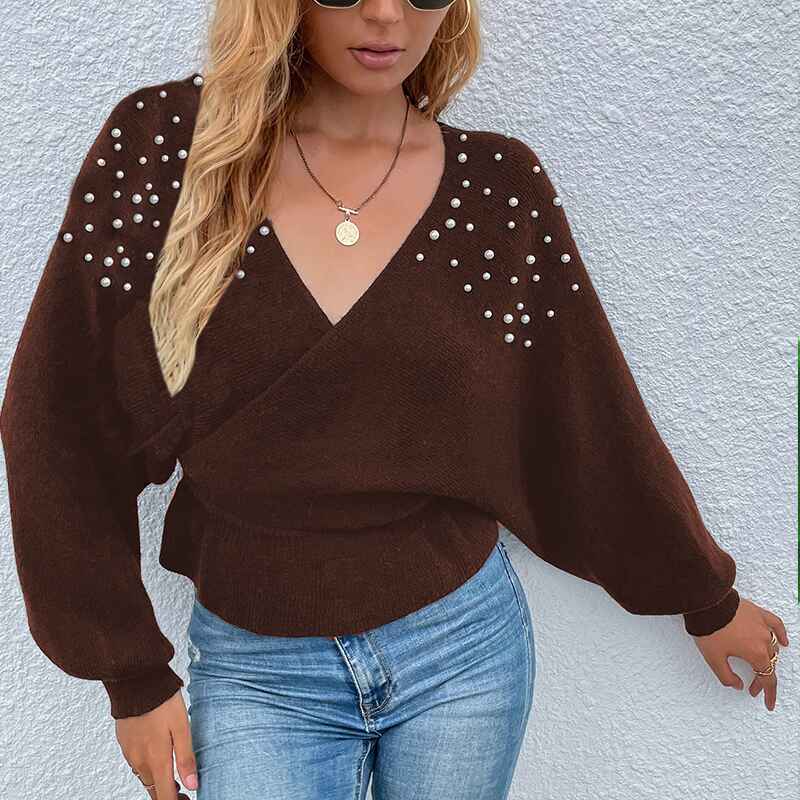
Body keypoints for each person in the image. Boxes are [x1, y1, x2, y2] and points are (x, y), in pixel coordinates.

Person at [1, 1, 789, 799]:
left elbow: (587, 416)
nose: (386, 14)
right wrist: (129, 673)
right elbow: (58, 418)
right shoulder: (168, 151)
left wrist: (704, 595)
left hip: (463, 649)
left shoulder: (498, 189)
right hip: (258, 671)